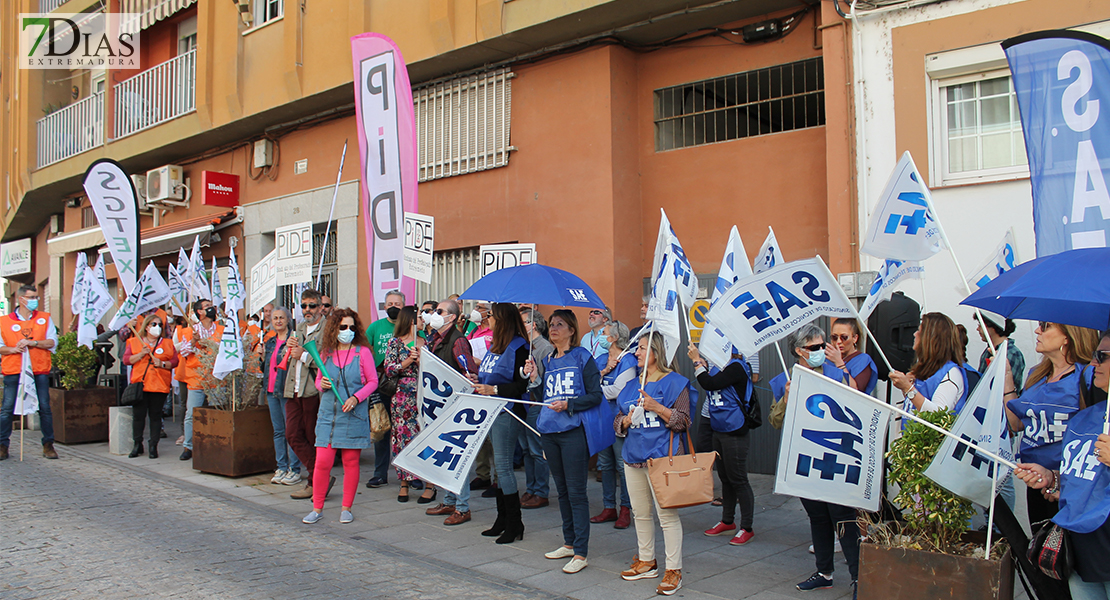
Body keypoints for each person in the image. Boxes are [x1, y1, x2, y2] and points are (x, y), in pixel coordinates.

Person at [1014, 328, 1110, 600]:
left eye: (1102, 356)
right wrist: (1051, 477)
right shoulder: (1084, 419)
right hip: (1080, 546)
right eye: (1094, 355)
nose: (1093, 364)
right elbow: (1079, 476)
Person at [769, 324, 860, 594]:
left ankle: (859, 577)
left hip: (835, 456)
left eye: (823, 345)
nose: (823, 350)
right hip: (806, 460)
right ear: (800, 351)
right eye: (816, 347)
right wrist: (786, 399)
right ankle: (824, 572)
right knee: (818, 517)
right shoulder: (784, 379)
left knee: (843, 518)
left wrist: (842, 367)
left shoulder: (834, 372)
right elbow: (775, 421)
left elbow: (857, 399)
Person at [525, 309, 602, 574]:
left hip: (572, 432)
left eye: (559, 324)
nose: (553, 328)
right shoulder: (547, 359)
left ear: (571, 329)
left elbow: (595, 396)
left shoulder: (582, 357)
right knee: (563, 491)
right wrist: (534, 377)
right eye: (551, 324)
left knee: (577, 492)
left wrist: (570, 404)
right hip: (548, 431)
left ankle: (581, 552)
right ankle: (569, 543)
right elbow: (543, 394)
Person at [616, 332, 693, 595]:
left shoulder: (675, 383)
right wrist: (625, 422)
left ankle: (674, 570)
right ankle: (647, 560)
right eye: (637, 348)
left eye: (642, 348)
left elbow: (683, 421)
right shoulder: (631, 384)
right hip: (633, 457)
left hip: (663, 458)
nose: (636, 353)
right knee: (640, 513)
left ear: (657, 353)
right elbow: (617, 421)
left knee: (667, 516)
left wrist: (656, 407)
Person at [1006, 321, 1098, 525]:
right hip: (1034, 481)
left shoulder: (1088, 377)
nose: (1038, 331)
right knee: (1040, 549)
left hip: (1069, 486)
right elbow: (1016, 424)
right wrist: (1006, 379)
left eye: (1045, 326)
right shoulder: (1036, 375)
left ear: (1068, 336)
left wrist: (1059, 480)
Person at [302, 309, 378, 525]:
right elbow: (319, 381)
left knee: (351, 462)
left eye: (352, 327)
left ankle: (347, 508)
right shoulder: (326, 353)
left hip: (353, 414)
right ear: (334, 329)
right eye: (343, 327)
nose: (348, 331)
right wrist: (321, 384)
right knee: (322, 463)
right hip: (328, 416)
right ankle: (317, 508)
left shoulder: (362, 352)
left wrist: (356, 397)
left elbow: (373, 381)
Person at [472, 303, 532, 543]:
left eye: (492, 317)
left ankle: (515, 522)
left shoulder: (520, 347)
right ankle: (502, 518)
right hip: (492, 409)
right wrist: (478, 379)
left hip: (508, 411)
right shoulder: (496, 346)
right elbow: (490, 374)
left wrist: (493, 388)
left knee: (504, 466)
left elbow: (520, 385)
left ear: (503, 320)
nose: (489, 320)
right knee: (498, 467)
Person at [689, 342, 756, 546]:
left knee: (738, 478)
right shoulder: (719, 367)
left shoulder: (736, 367)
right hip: (719, 427)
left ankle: (747, 527)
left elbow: (709, 383)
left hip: (735, 430)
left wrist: (696, 362)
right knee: (725, 476)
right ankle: (727, 521)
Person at [423, 298, 479, 524]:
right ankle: (449, 501)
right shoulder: (434, 339)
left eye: (440, 311)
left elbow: (469, 373)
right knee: (444, 456)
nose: (435, 314)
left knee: (457, 456)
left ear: (453, 317)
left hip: (454, 407)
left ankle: (462, 506)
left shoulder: (458, 342)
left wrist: (468, 377)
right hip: (439, 406)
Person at [284, 289, 335, 501]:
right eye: (304, 306)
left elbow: (328, 361)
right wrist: (287, 350)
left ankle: (316, 482)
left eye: (312, 305)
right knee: (292, 434)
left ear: (320, 307)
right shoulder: (299, 328)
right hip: (293, 388)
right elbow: (289, 358)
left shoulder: (328, 329)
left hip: (313, 391)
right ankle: (319, 476)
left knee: (313, 437)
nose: (307, 310)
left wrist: (304, 355)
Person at [0, 285, 59, 460]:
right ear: (21, 299)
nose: (35, 300)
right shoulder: (4, 321)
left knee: (45, 408)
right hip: (13, 370)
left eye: (36, 297)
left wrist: (33, 343)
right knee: (7, 409)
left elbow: (52, 342)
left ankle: (48, 444)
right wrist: (13, 349)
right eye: (31, 297)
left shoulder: (44, 318)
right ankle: (3, 445)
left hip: (39, 369)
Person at [384, 306, 435, 503]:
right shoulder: (395, 343)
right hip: (402, 398)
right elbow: (388, 369)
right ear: (410, 321)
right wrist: (406, 362)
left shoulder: (427, 341)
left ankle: (430, 484)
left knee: (425, 436)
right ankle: (404, 482)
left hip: (424, 395)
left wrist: (422, 358)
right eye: (419, 318)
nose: (423, 320)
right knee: (401, 438)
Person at [593, 321, 636, 529]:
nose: (601, 335)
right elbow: (585, 383)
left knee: (621, 465)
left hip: (619, 420)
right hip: (601, 419)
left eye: (604, 332)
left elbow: (620, 391)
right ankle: (609, 507)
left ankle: (626, 509)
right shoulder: (601, 359)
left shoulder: (628, 361)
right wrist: (601, 376)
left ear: (615, 337)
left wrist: (596, 390)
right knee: (606, 465)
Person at [888, 312, 970, 419]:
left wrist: (908, 388)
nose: (914, 334)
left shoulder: (950, 373)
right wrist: (907, 387)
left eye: (919, 331)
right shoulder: (927, 370)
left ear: (931, 338)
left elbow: (937, 416)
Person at [364, 290, 405, 489]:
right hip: (381, 383)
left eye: (397, 303)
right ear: (384, 306)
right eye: (390, 303)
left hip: (406, 384)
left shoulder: (411, 327)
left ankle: (408, 476)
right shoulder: (375, 327)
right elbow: (363, 350)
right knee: (381, 428)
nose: (393, 307)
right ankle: (380, 473)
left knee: (405, 430)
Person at [123, 313, 178, 459]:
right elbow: (127, 360)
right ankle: (137, 444)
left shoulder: (167, 343)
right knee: (138, 417)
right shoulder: (135, 341)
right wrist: (141, 354)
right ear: (146, 327)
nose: (157, 327)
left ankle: (153, 445)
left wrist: (164, 364)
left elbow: (174, 361)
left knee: (155, 416)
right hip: (140, 385)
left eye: (160, 325)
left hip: (159, 385)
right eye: (154, 324)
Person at [177, 299, 224, 461]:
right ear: (200, 312)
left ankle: (217, 443)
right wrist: (194, 341)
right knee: (192, 414)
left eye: (211, 306)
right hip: (196, 378)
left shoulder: (222, 329)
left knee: (218, 413)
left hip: (216, 379)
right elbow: (183, 352)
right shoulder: (190, 330)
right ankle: (188, 446)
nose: (211, 309)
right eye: (207, 307)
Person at [263, 307, 302, 485]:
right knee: (278, 431)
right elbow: (265, 367)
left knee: (291, 431)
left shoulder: (292, 341)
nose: (278, 321)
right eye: (275, 318)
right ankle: (281, 467)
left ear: (288, 320)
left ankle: (294, 469)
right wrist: (260, 358)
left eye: (282, 318)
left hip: (285, 390)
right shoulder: (270, 342)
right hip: (271, 391)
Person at [519, 307, 553, 509]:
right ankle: (531, 488)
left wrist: (534, 376)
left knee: (536, 450)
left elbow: (546, 381)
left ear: (533, 324)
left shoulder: (544, 348)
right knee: (526, 449)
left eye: (523, 322)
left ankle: (541, 490)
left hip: (537, 403)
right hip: (526, 403)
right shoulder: (527, 346)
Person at [829, 318, 878, 394]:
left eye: (844, 337)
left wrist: (839, 363)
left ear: (855, 338)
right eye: (834, 337)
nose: (839, 342)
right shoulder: (827, 358)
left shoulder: (863, 360)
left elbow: (856, 391)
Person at [978, 315, 1026, 393]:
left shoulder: (1012, 353)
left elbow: (1003, 388)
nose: (977, 329)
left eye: (980, 325)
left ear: (992, 327)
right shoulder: (988, 351)